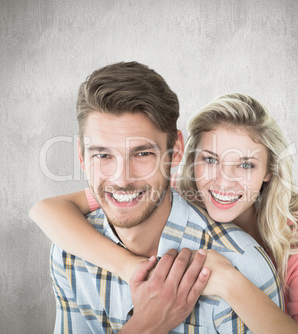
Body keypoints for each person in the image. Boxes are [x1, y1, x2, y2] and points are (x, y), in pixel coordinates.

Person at [37, 61, 283, 333]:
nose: (122, 179)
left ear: (176, 150)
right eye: (103, 155)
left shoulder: (241, 267)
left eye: (143, 154)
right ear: (82, 157)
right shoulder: (70, 251)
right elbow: (45, 210)